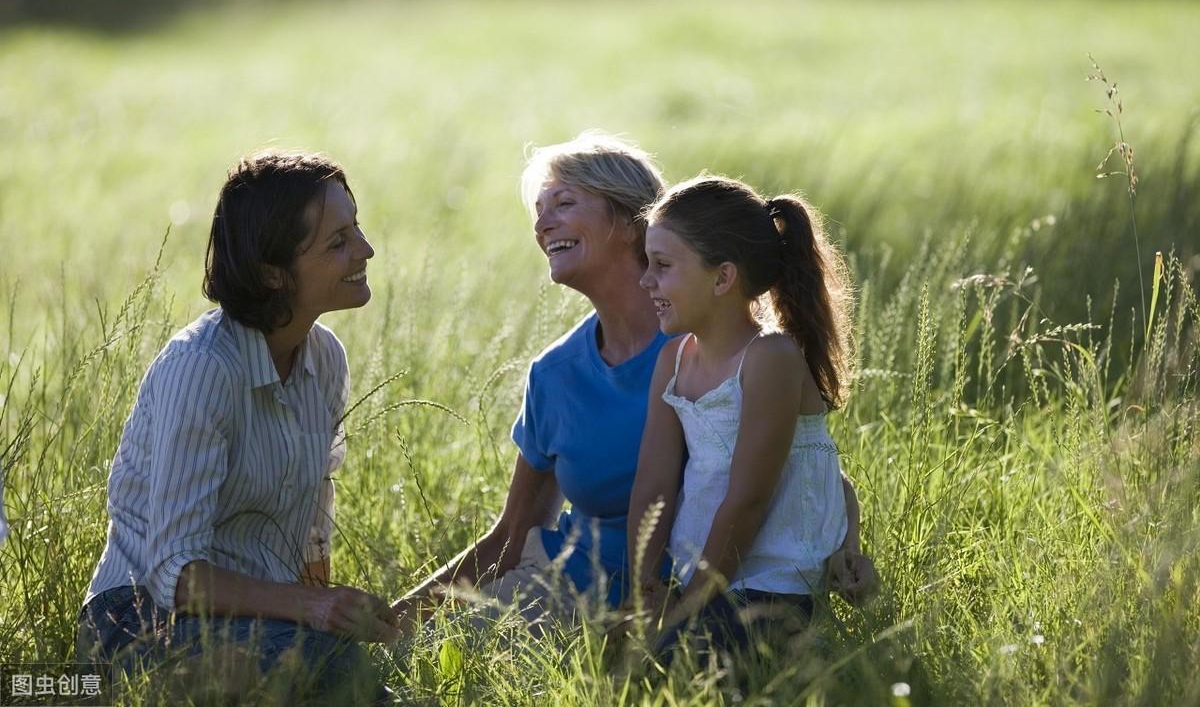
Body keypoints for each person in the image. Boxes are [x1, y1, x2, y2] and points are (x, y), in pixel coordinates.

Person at [395, 134, 874, 634]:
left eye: (563, 203)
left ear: (631, 222)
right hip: (573, 588)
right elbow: (512, 534)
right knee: (446, 651)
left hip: (701, 597)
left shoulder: (722, 343)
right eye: (538, 210)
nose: (541, 224)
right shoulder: (558, 373)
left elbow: (802, 467)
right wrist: (396, 619)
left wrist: (846, 549)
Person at [76, 152, 397, 703]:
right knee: (330, 668)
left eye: (357, 228)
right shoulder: (202, 367)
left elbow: (310, 527)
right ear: (273, 272)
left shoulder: (325, 358)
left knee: (342, 663)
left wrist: (325, 616)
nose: (365, 249)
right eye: (338, 242)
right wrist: (314, 609)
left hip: (253, 619)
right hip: (138, 618)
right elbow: (176, 575)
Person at [623, 173, 864, 662]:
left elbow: (747, 501)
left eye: (662, 265)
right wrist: (644, 585)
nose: (646, 280)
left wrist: (686, 609)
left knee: (681, 666)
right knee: (625, 658)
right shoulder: (673, 361)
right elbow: (653, 483)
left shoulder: (770, 357)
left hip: (773, 589)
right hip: (705, 580)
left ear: (722, 278)